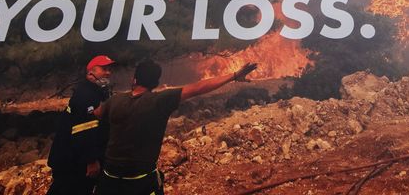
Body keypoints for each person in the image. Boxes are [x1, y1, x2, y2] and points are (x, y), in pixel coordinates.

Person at [94, 61, 258, 195]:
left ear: (134, 80)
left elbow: (96, 114)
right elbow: (198, 88)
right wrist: (233, 76)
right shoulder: (159, 101)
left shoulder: (114, 100)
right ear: (156, 83)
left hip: (109, 177)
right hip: (140, 180)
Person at [47, 55, 116, 195]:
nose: (108, 72)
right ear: (91, 72)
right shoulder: (85, 94)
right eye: (104, 69)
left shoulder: (97, 91)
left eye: (109, 69)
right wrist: (91, 160)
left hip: (76, 158)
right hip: (73, 161)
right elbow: (84, 129)